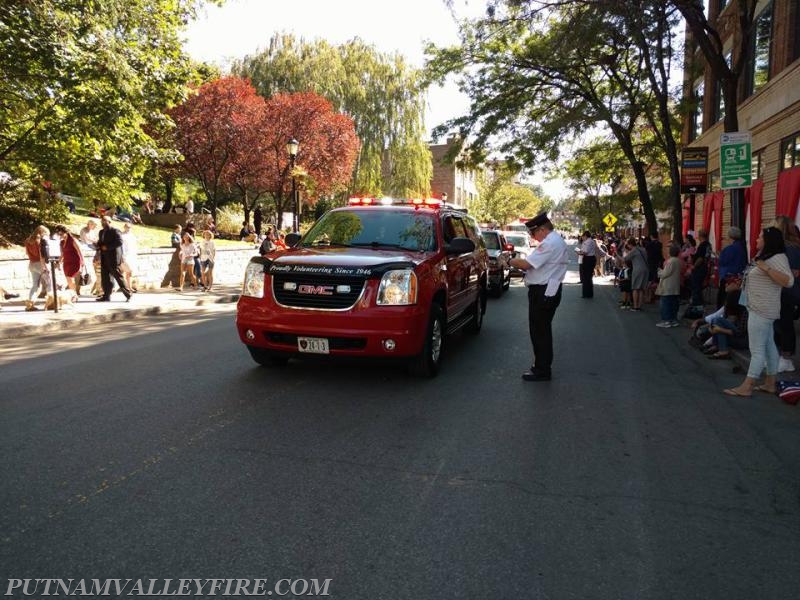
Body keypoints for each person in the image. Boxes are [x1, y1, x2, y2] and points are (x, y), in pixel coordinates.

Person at [724, 227, 794, 397]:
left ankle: (747, 385)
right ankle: (770, 383)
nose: (756, 239)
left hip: (762, 309)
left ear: (769, 240)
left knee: (757, 349)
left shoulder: (776, 258)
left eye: (760, 236)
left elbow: (789, 281)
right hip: (760, 307)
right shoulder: (768, 257)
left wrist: (765, 268)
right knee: (769, 346)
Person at [508, 212, 569, 382]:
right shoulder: (557, 241)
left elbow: (526, 264)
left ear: (542, 229)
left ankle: (541, 369)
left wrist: (509, 261)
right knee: (543, 330)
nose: (533, 237)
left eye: (533, 233)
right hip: (550, 289)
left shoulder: (549, 243)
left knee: (539, 331)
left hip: (542, 291)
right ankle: (542, 366)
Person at [772, 215, 800, 373]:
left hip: (786, 291)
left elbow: (792, 273)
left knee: (784, 324)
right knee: (780, 323)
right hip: (784, 290)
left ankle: (786, 357)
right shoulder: (788, 247)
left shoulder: (789, 248)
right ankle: (782, 356)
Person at [96, 216, 132, 302]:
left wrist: (107, 247)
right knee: (105, 278)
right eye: (102, 221)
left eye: (105, 221)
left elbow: (119, 242)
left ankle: (128, 294)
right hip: (104, 258)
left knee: (118, 277)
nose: (103, 222)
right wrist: (98, 245)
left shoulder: (115, 231)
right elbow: (101, 243)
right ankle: (106, 296)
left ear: (109, 222)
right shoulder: (101, 232)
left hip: (113, 258)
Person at [716, 226, 747, 309]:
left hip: (728, 278)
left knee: (724, 301)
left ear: (729, 236)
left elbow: (722, 262)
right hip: (738, 278)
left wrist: (719, 256)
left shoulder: (729, 249)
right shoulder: (742, 247)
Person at [655, 243, 682, 327]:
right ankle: (673, 319)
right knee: (673, 304)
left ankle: (666, 320)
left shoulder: (670, 261)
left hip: (668, 286)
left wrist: (659, 271)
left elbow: (665, 273)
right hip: (675, 286)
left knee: (665, 304)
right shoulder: (678, 261)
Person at [24, 225, 49, 311]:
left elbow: (27, 253)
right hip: (40, 264)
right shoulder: (39, 241)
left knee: (35, 286)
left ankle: (30, 304)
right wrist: (44, 266)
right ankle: (51, 303)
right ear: (42, 232)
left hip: (32, 264)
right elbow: (41, 255)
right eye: (45, 233)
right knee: (50, 283)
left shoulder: (28, 240)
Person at [54, 225, 86, 293]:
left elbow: (79, 250)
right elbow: (62, 254)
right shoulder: (62, 242)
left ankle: (73, 294)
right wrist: (58, 262)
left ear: (66, 232)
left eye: (61, 234)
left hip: (74, 262)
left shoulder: (72, 240)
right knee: (68, 280)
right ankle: (73, 294)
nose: (60, 235)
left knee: (70, 278)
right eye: (59, 234)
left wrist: (83, 261)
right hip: (66, 263)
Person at [689, 229, 712, 313]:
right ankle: (700, 305)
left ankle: (697, 306)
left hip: (700, 268)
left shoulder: (702, 245)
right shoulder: (708, 245)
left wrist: (694, 266)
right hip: (705, 267)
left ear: (700, 236)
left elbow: (700, 258)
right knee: (698, 287)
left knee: (696, 287)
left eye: (698, 235)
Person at [623, 238, 648, 311]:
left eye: (628, 245)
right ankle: (639, 306)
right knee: (641, 288)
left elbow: (625, 259)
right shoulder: (643, 249)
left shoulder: (633, 251)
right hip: (645, 269)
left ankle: (635, 306)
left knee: (635, 288)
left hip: (637, 270)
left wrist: (625, 251)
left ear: (630, 244)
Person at [575, 230, 597, 298]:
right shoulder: (592, 241)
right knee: (589, 277)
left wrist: (579, 252)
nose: (582, 238)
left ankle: (586, 293)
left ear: (585, 236)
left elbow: (585, 252)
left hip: (588, 259)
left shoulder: (587, 242)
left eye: (583, 236)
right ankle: (589, 293)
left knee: (586, 277)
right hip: (591, 258)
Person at [120, 222, 139, 292]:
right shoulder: (122, 235)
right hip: (124, 256)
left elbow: (134, 246)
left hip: (131, 255)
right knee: (125, 271)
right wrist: (122, 255)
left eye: (129, 227)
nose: (128, 229)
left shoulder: (132, 236)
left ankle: (129, 286)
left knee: (130, 272)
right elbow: (121, 247)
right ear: (124, 227)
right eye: (127, 227)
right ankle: (124, 287)